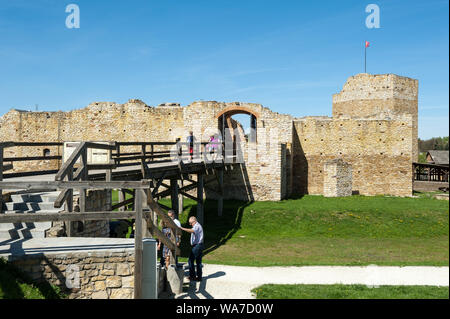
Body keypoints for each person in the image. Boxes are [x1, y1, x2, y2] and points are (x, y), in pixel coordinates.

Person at [180, 216, 204, 281]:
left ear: (194, 221)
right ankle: (199, 277)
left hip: (197, 245)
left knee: (190, 261)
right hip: (199, 245)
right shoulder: (197, 225)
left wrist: (182, 228)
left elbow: (191, 231)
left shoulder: (197, 226)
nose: (190, 224)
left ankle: (192, 276)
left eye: (190, 223)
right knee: (198, 262)